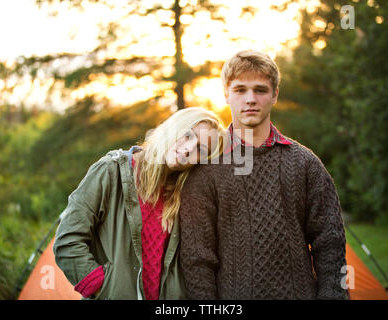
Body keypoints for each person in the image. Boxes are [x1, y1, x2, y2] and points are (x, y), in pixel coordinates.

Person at [179, 50, 349, 300]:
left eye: (260, 90)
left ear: (274, 95)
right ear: (226, 94)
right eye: (240, 90)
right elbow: (197, 259)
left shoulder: (305, 164)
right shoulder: (206, 169)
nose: (251, 99)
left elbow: (330, 245)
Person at [53, 107, 225, 300]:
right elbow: (67, 240)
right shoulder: (111, 172)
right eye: (187, 136)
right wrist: (103, 288)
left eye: (200, 149)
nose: (188, 149)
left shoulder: (186, 194)